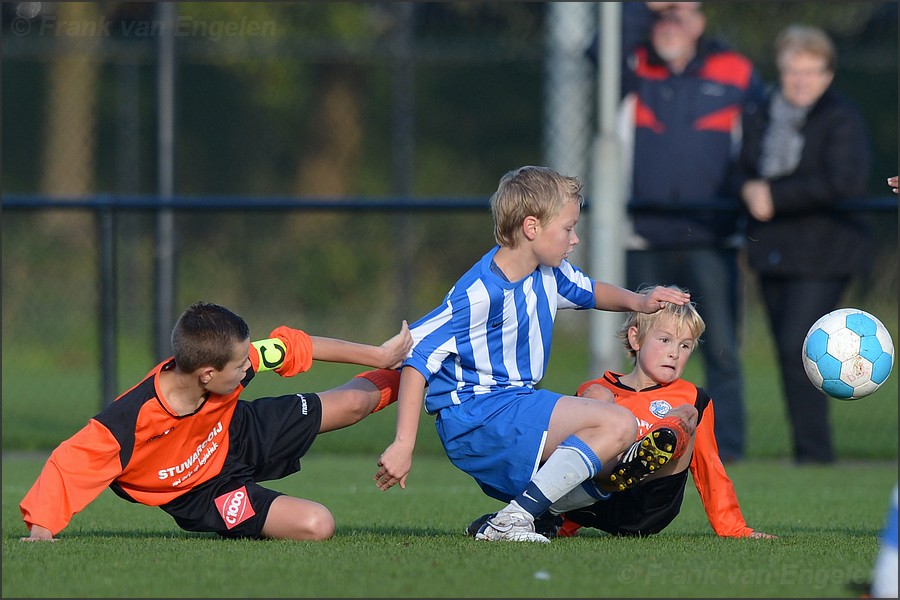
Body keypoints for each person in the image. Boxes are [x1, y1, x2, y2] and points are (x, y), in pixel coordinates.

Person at [373, 165, 692, 543]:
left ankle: (524, 515)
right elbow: (418, 359)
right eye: (568, 228)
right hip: (478, 416)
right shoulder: (480, 293)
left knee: (610, 456)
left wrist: (640, 300)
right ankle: (517, 518)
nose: (574, 239)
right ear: (531, 228)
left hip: (512, 406)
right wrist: (403, 443)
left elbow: (591, 291)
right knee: (617, 426)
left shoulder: (548, 272)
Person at [20, 301, 412, 542]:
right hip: (204, 493)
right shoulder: (129, 420)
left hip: (239, 430)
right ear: (207, 374)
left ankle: (425, 370)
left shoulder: (227, 365)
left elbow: (298, 345)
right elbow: (69, 463)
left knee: (351, 404)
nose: (249, 366)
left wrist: (379, 357)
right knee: (316, 524)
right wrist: (41, 529)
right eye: (241, 365)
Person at [616, 2, 765, 463]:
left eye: (682, 13)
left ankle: (727, 450)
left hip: (712, 237)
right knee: (639, 347)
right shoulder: (634, 63)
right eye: (664, 16)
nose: (670, 24)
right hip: (646, 237)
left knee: (719, 348)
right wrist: (647, 7)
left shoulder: (735, 70)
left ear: (701, 22)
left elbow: (761, 143)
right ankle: (627, 438)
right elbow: (599, 47)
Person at [527, 286, 777, 540]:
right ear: (636, 339)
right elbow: (569, 458)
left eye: (685, 346)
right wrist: (563, 527)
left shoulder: (692, 398)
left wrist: (733, 528)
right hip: (594, 500)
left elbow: (709, 467)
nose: (674, 353)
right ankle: (552, 513)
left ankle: (653, 447)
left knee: (687, 414)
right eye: (665, 340)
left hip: (648, 505)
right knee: (596, 397)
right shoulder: (596, 389)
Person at [732, 24, 872, 464]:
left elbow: (842, 181)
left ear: (827, 74)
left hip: (825, 253)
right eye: (792, 70)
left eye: (810, 71)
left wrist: (774, 194)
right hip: (773, 251)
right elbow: (739, 169)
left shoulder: (840, 118)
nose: (800, 80)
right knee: (789, 351)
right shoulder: (761, 111)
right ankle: (807, 453)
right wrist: (748, 189)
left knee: (804, 344)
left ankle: (815, 453)